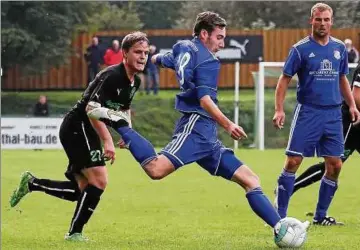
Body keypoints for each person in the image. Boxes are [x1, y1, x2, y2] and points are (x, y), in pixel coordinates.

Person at [89, 11, 309, 231]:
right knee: (156, 169)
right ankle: (120, 125)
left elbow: (162, 60)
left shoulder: (183, 47)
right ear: (204, 34)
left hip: (207, 134)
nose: (222, 44)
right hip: (195, 126)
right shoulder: (208, 61)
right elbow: (204, 100)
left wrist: (151, 57)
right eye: (219, 37)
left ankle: (280, 228)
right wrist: (229, 124)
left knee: (250, 179)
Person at [9, 32, 149, 241]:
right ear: (125, 53)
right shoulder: (111, 76)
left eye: (146, 53)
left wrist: (126, 132)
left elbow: (124, 108)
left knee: (82, 191)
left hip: (88, 129)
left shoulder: (133, 82)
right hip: (77, 126)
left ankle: (32, 184)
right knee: (100, 181)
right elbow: (92, 109)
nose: (143, 57)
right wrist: (108, 140)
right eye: (138, 52)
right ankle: (74, 234)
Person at [272, 3, 360, 226]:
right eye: (319, 19)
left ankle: (321, 217)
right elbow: (284, 80)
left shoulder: (340, 48)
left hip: (333, 114)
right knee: (293, 161)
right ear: (311, 20)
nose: (323, 24)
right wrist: (279, 109)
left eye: (327, 20)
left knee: (335, 165)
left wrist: (351, 105)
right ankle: (278, 217)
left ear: (332, 21)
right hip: (308, 112)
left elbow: (342, 79)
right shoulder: (300, 49)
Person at [291, 54, 360, 223]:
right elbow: (356, 96)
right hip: (352, 122)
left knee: (333, 167)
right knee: (332, 167)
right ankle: (289, 188)